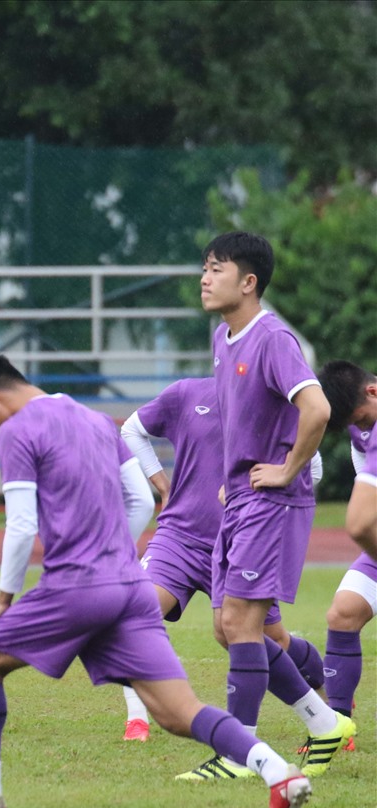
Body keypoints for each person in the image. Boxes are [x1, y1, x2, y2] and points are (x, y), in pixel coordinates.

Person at [0, 353, 311, 808]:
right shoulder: (95, 420)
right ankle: (279, 773)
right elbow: (137, 497)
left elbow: (22, 523)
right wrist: (117, 555)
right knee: (178, 712)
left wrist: (2, 603)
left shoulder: (18, 429)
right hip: (131, 586)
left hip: (76, 585)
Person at [177, 231, 354, 780]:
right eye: (204, 268)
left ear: (248, 282)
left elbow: (317, 408)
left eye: (216, 269)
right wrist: (233, 475)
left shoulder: (272, 338)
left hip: (271, 503)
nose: (205, 278)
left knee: (242, 623)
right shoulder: (223, 336)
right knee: (228, 629)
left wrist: (286, 469)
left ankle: (240, 753)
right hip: (241, 499)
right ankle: (323, 722)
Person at [118, 376, 326, 747]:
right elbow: (132, 430)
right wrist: (164, 487)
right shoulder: (187, 393)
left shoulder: (279, 409)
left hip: (242, 544)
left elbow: (312, 468)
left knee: (267, 639)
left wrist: (262, 496)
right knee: (134, 613)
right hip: (178, 538)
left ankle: (326, 712)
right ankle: (138, 719)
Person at [317, 361, 377, 731]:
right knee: (343, 613)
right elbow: (362, 452)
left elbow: (358, 522)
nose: (360, 428)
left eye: (362, 419)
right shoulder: (362, 427)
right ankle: (338, 726)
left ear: (373, 391)